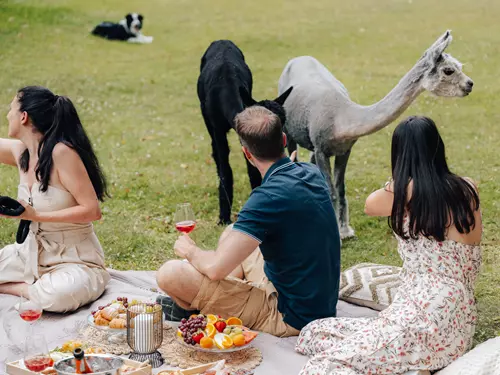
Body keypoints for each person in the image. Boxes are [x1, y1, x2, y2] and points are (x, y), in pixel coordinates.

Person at [295, 115, 482, 374]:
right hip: (456, 316)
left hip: (426, 313)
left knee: (325, 367)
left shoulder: (403, 193)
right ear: (437, 148)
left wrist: (400, 181)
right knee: (314, 333)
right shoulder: (467, 188)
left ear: (400, 155)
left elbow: (370, 204)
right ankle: (407, 365)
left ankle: (405, 365)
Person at [156, 105, 341, 337]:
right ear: (284, 139)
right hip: (315, 302)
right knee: (233, 231)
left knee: (170, 273)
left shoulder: (266, 199)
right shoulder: (310, 172)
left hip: (290, 317)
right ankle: (227, 297)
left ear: (247, 154)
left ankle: (206, 306)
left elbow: (215, 269)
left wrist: (190, 250)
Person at [0, 86, 110, 313]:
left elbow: (92, 210)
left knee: (58, 297)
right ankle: (34, 286)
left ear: (23, 117)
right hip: (28, 255)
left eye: (11, 108)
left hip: (75, 260)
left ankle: (20, 288)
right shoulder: (22, 151)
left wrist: (36, 215)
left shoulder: (62, 153)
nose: (7, 114)